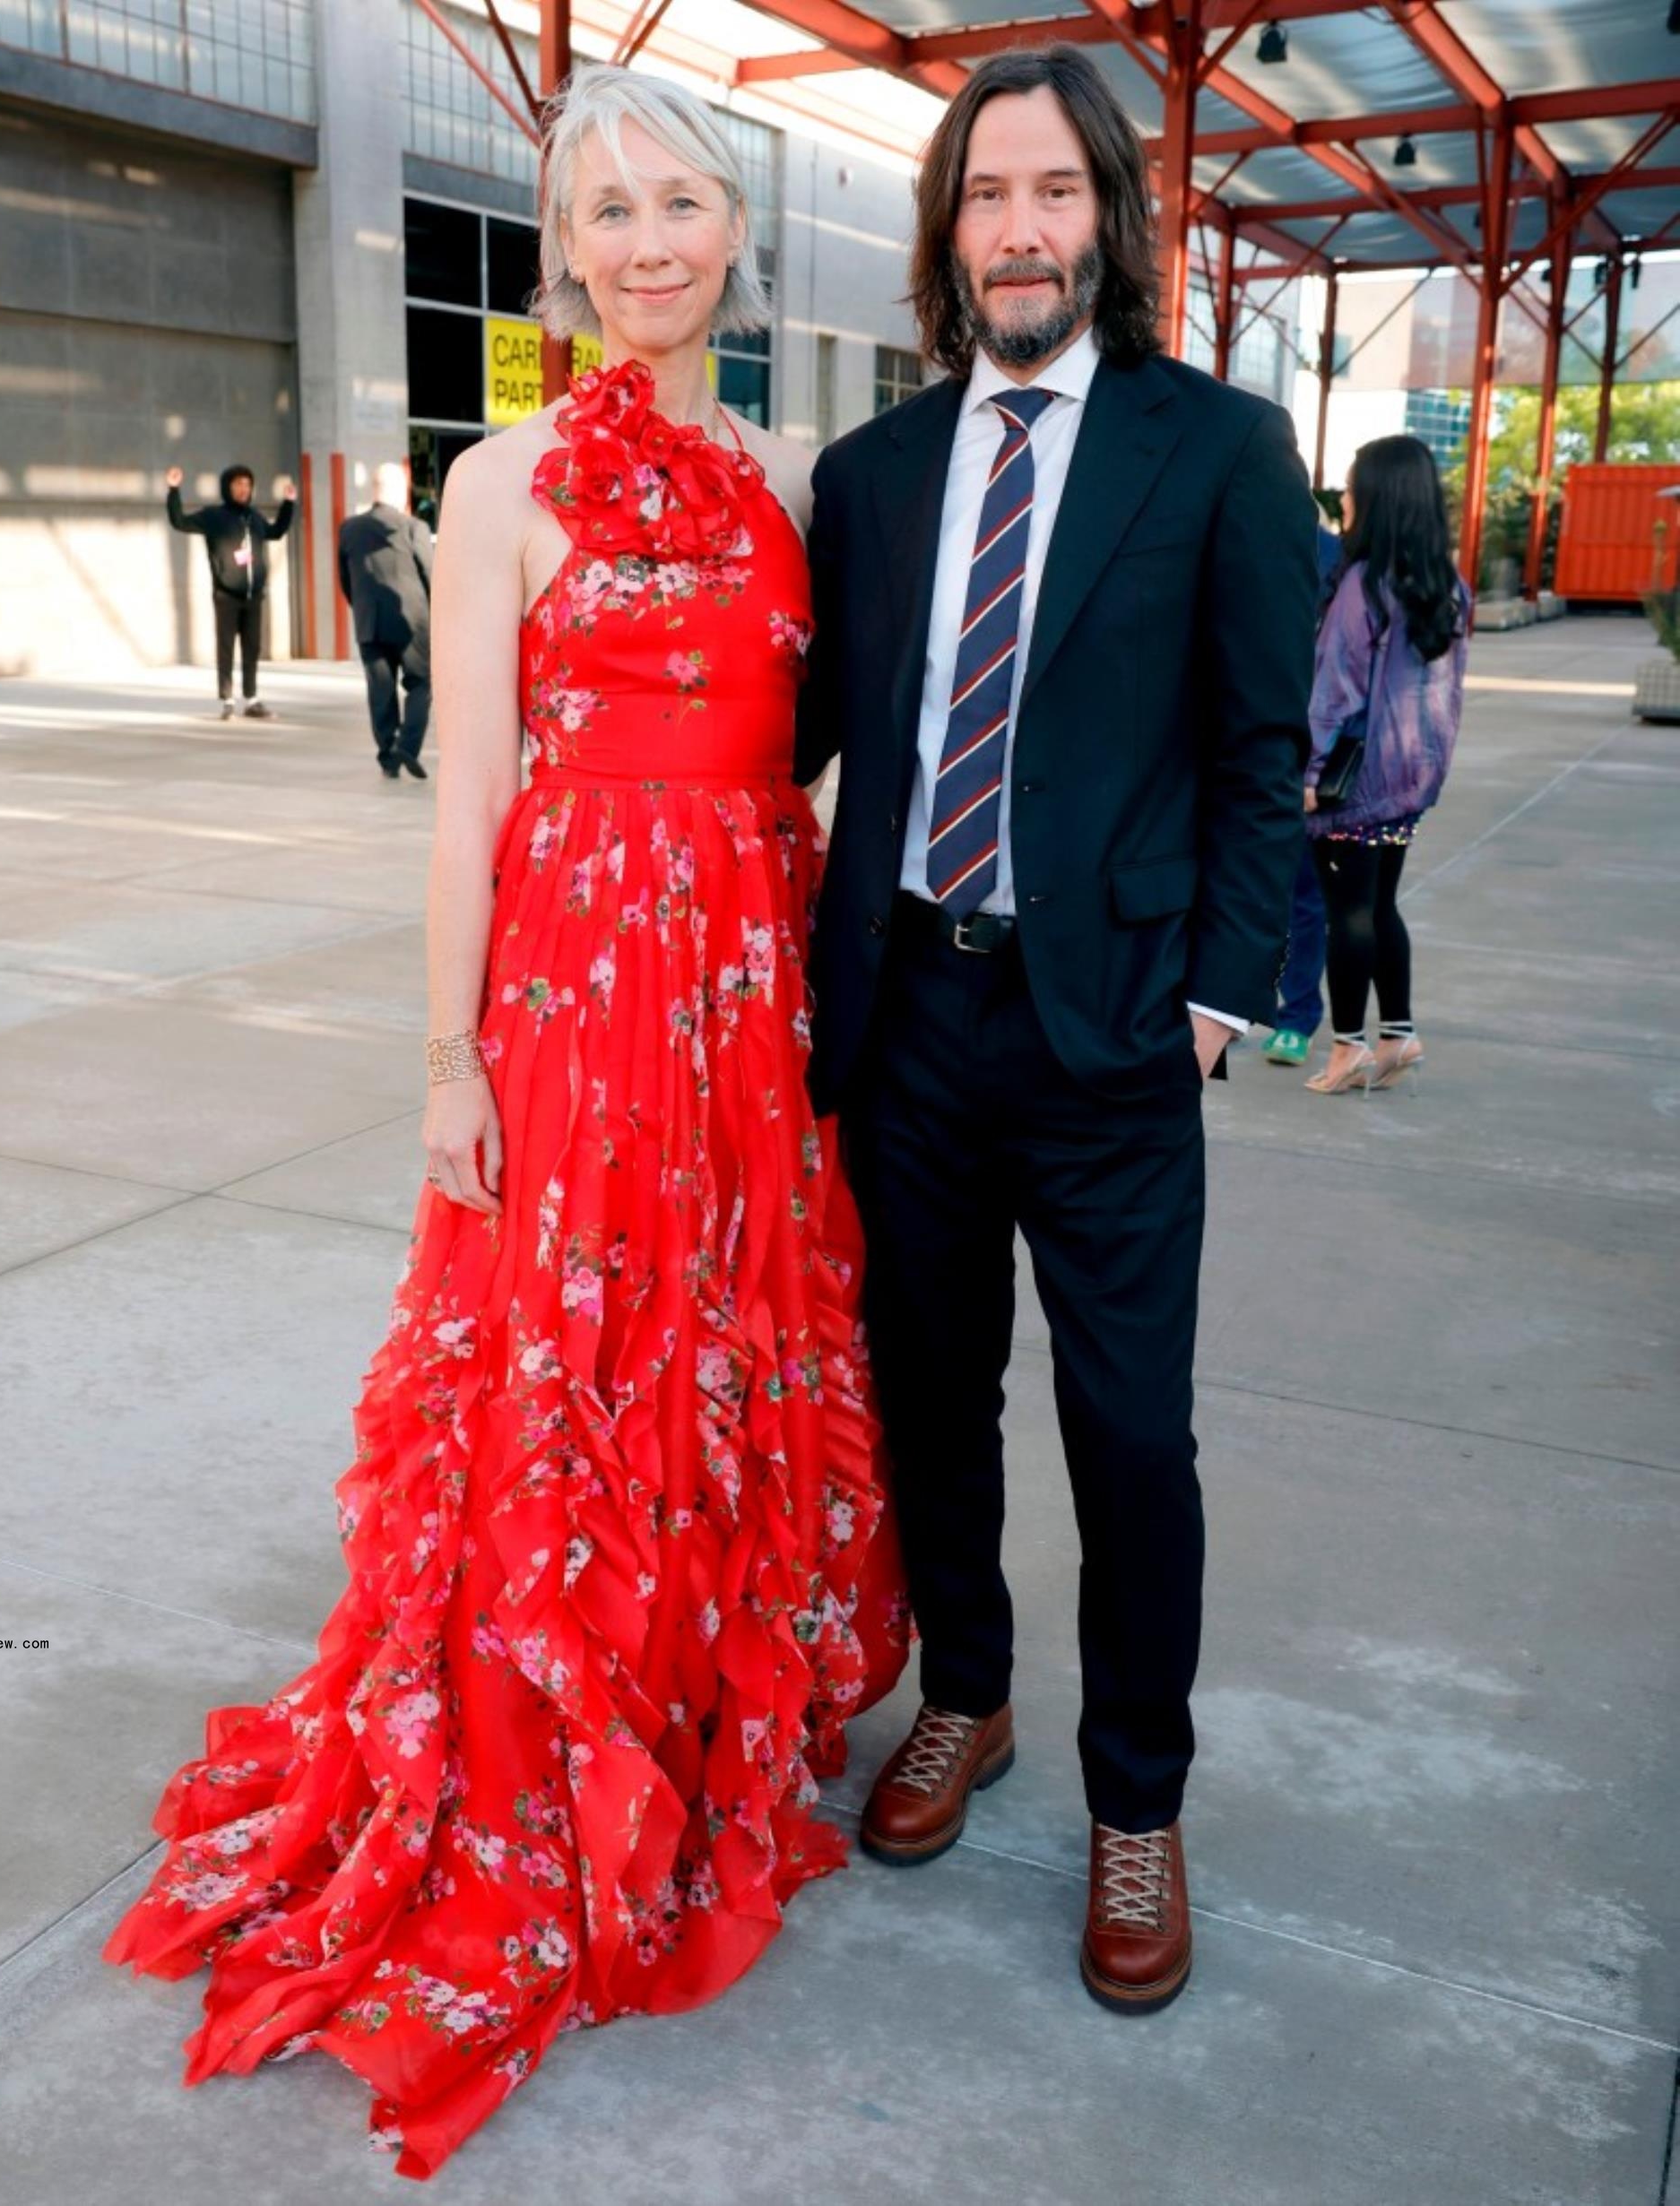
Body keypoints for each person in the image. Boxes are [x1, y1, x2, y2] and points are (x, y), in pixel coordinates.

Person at [106, 65, 906, 2178]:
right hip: (568, 982)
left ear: (737, 229)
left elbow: (817, 761)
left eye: (677, 202)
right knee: (559, 1361)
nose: (644, 241)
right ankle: (553, 1729)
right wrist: (446, 1053)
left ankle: (701, 1705)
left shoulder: (802, 474)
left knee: (718, 1342)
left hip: (749, 977)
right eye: (604, 213)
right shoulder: (498, 479)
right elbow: (466, 785)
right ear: (560, 256)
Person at [799, 44, 1313, 2016]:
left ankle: (1138, 1800)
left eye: (1054, 192)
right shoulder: (873, 475)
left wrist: (1213, 1001)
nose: (1018, 227)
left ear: (1109, 216)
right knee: (934, 1402)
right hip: (909, 1018)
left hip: (1111, 1038)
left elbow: (1271, 751)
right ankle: (971, 1698)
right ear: (948, 233)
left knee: (1126, 1436)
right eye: (985, 194)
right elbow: (800, 733)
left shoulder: (1218, 454)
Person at [1303, 436, 1468, 1095]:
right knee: (1381, 903)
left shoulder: (1363, 585)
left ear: (1377, 497)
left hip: (1354, 782)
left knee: (1349, 913)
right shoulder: (1447, 587)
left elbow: (1334, 692)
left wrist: (1311, 776)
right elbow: (1447, 694)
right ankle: (1397, 1033)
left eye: (1350, 487)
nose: (1343, 498)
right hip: (1412, 780)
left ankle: (1348, 1050)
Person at [1262, 516, 1342, 1069]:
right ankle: (1235, 1005)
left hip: (1294, 752)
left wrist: (1313, 771)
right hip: (1226, 742)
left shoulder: (1331, 556)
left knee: (1299, 896)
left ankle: (1296, 1015)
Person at [165, 463, 296, 720]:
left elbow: (277, 531)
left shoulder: (254, 518)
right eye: (238, 484)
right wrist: (173, 490)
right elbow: (179, 521)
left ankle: (252, 699)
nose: (243, 489)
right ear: (227, 487)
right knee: (226, 648)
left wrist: (289, 504)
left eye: (247, 484)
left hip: (253, 596)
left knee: (252, 648)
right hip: (226, 595)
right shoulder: (214, 517)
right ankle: (227, 699)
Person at [338, 461, 436, 780]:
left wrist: (361, 607)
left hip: (369, 622)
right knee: (421, 683)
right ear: (400, 490)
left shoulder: (349, 528)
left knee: (380, 690)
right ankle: (407, 746)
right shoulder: (413, 527)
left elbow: (345, 579)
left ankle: (387, 756)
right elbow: (431, 575)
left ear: (374, 491)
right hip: (412, 623)